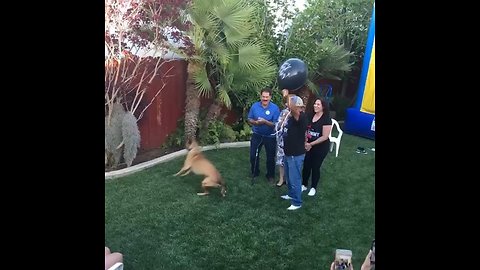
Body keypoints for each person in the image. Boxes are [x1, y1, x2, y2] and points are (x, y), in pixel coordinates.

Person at [280, 95, 307, 210]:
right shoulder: (291, 117)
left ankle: (297, 202)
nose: (287, 105)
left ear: (298, 106)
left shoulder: (302, 117)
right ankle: (291, 194)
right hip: (288, 152)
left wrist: (287, 96)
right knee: (289, 177)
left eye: (290, 104)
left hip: (296, 154)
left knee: (295, 178)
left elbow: (294, 110)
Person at [247, 88, 280, 183]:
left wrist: (265, 122)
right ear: (260, 96)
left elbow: (276, 124)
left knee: (270, 157)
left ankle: (270, 175)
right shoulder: (255, 106)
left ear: (270, 97)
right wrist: (255, 122)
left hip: (270, 136)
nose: (265, 99)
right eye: (263, 97)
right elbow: (249, 119)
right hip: (257, 135)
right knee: (253, 155)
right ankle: (255, 172)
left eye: (267, 97)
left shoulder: (275, 108)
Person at [302, 98, 332, 196]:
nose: (315, 106)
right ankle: (304, 184)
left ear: (323, 106)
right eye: (315, 103)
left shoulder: (326, 119)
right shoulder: (310, 115)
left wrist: (311, 144)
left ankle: (313, 187)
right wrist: (306, 141)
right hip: (309, 145)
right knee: (306, 165)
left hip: (321, 147)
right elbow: (306, 129)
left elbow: (325, 136)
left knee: (315, 166)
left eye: (318, 104)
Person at [274, 91, 294, 187]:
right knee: (281, 161)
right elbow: (277, 127)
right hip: (282, 141)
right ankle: (281, 179)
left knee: (291, 161)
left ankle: (289, 179)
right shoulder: (283, 112)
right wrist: (283, 120)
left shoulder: (298, 113)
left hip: (292, 142)